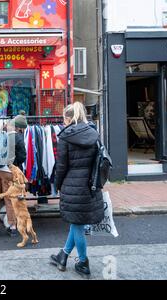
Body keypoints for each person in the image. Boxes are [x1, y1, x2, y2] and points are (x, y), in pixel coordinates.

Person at [49, 102, 104, 279]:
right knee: (77, 223)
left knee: (78, 226)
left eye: (64, 119)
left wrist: (56, 186)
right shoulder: (94, 133)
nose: (63, 122)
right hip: (91, 185)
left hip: (72, 186)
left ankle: (83, 262)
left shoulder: (65, 137)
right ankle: (63, 256)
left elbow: (61, 166)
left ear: (69, 118)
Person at [0, 115, 27, 239]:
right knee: (10, 199)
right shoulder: (18, 137)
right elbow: (22, 156)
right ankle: (12, 228)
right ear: (19, 128)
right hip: (8, 170)